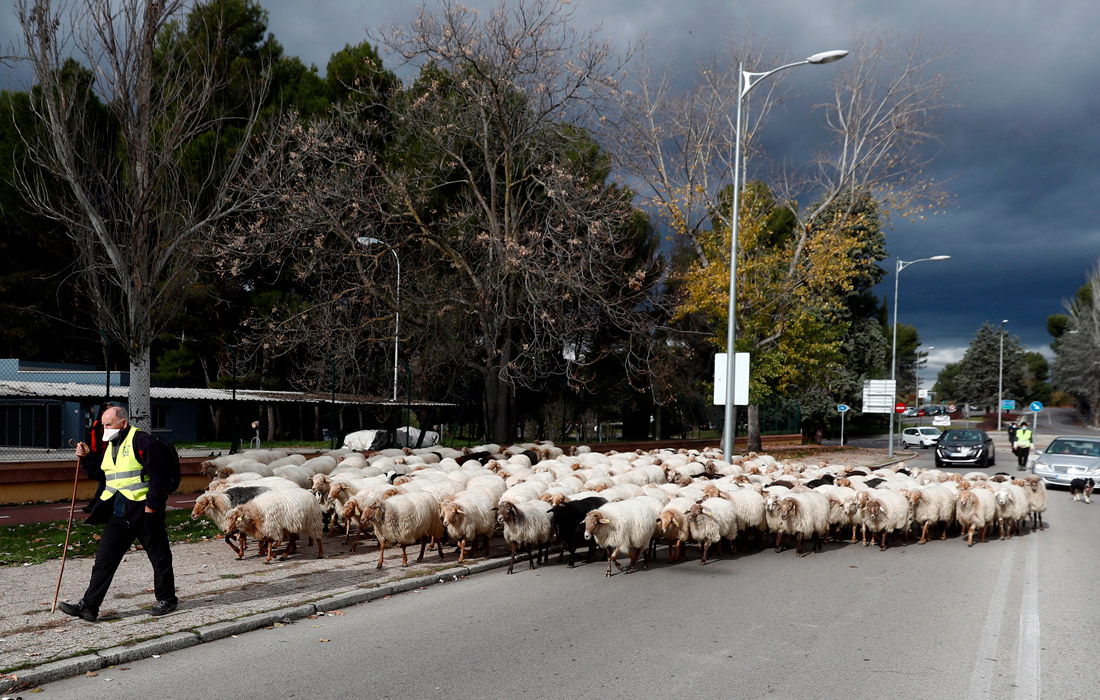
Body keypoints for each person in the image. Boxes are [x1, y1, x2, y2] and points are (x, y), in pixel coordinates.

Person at [58, 406, 178, 622]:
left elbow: (160, 477)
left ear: (123, 423)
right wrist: (87, 456)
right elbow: (103, 474)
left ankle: (167, 599)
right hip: (119, 513)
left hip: (144, 512)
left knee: (159, 556)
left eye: (109, 424)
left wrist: (152, 505)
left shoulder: (143, 441)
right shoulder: (113, 445)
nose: (105, 429)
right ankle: (89, 607)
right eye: (104, 425)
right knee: (104, 560)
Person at [80, 402, 113, 513]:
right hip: (100, 457)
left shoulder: (113, 425)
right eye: (108, 410)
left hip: (109, 457)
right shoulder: (97, 424)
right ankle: (96, 504)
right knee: (103, 482)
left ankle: (96, 504)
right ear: (103, 412)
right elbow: (93, 441)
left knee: (104, 483)